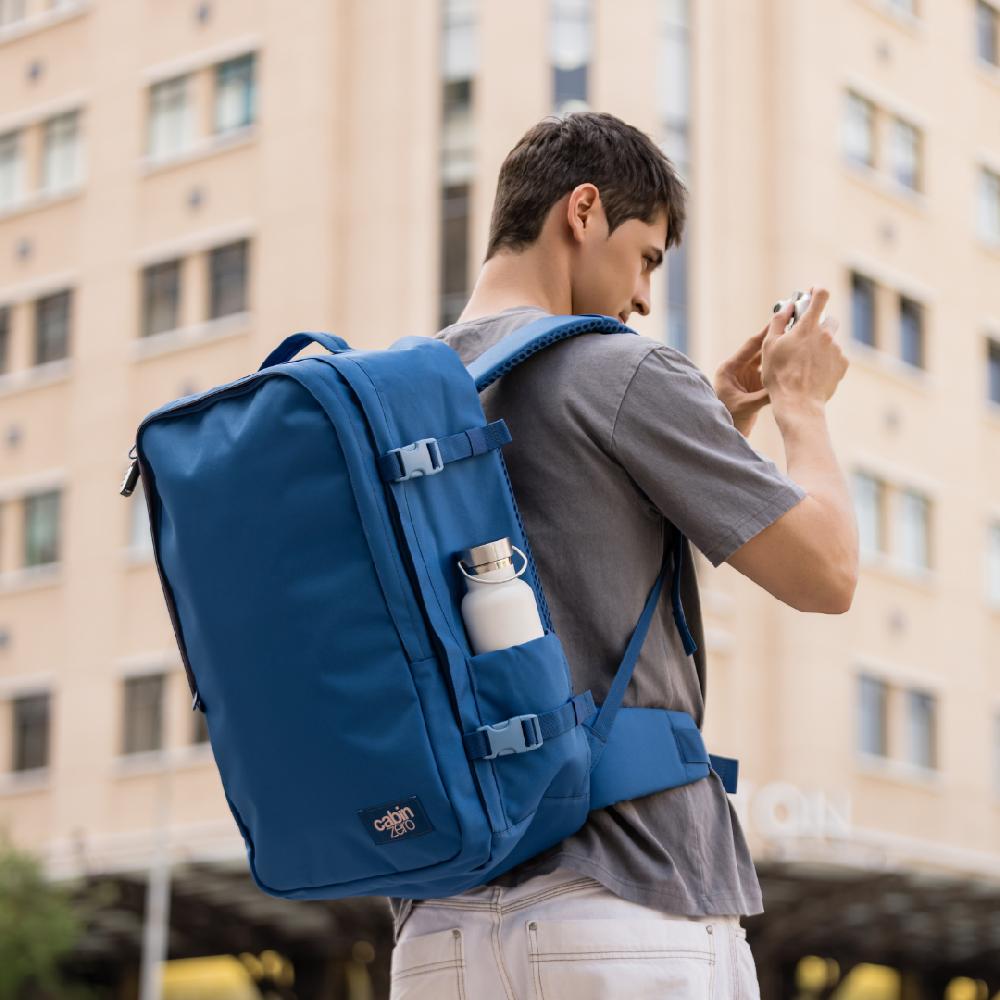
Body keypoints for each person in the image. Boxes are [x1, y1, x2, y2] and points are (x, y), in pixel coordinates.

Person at [386, 110, 857, 1000]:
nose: (643, 297)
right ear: (584, 210)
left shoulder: (395, 398)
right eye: (645, 257)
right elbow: (827, 571)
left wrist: (714, 414)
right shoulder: (618, 369)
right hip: (625, 903)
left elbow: (573, 524)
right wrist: (801, 406)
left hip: (435, 932)